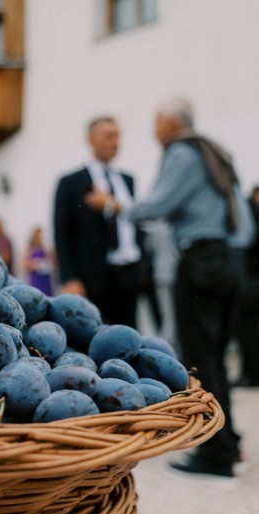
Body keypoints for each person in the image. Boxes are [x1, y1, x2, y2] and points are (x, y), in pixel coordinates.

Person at [86, 98, 247, 478]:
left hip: (201, 262)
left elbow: (155, 206)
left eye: (157, 123)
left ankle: (216, 454)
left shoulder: (183, 151)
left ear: (172, 124)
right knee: (216, 354)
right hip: (227, 259)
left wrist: (111, 205)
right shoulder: (213, 152)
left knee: (200, 358)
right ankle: (229, 439)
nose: (154, 131)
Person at [54, 116, 142, 328]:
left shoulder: (128, 180)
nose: (115, 142)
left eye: (118, 136)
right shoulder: (70, 183)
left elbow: (133, 224)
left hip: (129, 277)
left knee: (128, 338)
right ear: (91, 140)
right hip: (92, 279)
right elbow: (61, 232)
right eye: (109, 136)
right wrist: (69, 277)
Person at [233, 184, 259, 387]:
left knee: (247, 329)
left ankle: (251, 373)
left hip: (251, 281)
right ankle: (250, 371)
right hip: (249, 280)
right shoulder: (249, 211)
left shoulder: (251, 212)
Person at [23, 227, 54, 296]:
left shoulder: (45, 248)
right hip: (36, 279)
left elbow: (52, 262)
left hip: (46, 280)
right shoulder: (30, 249)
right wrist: (36, 264)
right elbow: (24, 266)